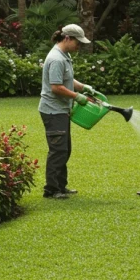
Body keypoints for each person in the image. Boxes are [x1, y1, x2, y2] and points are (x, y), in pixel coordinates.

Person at [38, 24, 97, 199]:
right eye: (77, 42)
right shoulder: (56, 59)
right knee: (58, 150)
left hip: (61, 110)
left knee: (64, 149)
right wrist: (78, 96)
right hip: (52, 111)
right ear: (67, 38)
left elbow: (67, 79)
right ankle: (52, 189)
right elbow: (56, 87)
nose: (79, 46)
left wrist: (84, 87)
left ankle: (61, 186)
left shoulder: (64, 55)